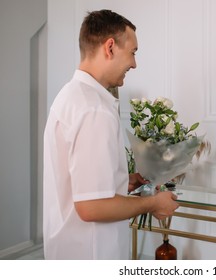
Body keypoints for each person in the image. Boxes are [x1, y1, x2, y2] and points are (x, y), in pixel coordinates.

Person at [43, 10, 179, 260]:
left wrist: (119, 180)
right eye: (133, 52)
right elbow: (91, 207)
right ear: (110, 48)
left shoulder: (69, 96)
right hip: (90, 254)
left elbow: (76, 180)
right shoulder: (94, 109)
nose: (134, 63)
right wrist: (153, 203)